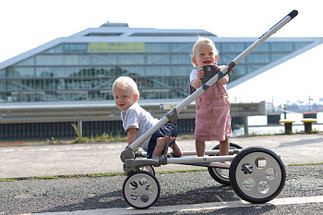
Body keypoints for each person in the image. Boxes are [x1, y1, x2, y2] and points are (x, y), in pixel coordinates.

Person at [112, 76, 183, 158]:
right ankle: (177, 151)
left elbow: (132, 131)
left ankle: (160, 145)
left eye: (124, 96)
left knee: (153, 158)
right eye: (116, 97)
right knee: (168, 137)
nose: (119, 100)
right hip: (165, 128)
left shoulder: (132, 111)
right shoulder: (129, 111)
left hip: (154, 136)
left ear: (135, 98)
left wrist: (131, 148)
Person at [190, 37, 232, 159]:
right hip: (204, 109)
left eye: (210, 53)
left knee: (224, 135)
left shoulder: (221, 69)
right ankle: (200, 156)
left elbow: (225, 80)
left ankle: (223, 158)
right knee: (200, 134)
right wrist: (199, 78)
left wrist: (220, 73)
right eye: (202, 54)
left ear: (216, 57)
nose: (206, 57)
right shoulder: (195, 73)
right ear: (195, 61)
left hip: (221, 110)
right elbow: (195, 85)